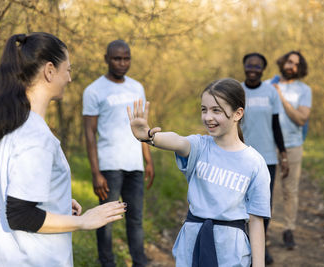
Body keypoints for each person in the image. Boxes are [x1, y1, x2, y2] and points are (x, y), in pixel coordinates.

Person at [0, 32, 126, 267]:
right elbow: (20, 214)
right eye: (67, 70)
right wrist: (84, 221)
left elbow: (2, 189)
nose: (69, 78)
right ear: (49, 71)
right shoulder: (36, 136)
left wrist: (53, 200)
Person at [127, 78, 270, 267]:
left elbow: (256, 221)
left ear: (237, 113)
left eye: (216, 110)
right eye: (204, 109)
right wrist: (150, 137)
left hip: (231, 250)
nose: (208, 117)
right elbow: (178, 141)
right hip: (193, 242)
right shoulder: (199, 146)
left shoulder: (255, 162)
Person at [83, 40, 154, 267]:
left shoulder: (137, 87)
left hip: (135, 165)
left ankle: (140, 262)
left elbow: (142, 127)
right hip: (109, 166)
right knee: (106, 221)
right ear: (106, 59)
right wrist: (96, 172)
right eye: (116, 58)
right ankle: (107, 263)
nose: (122, 63)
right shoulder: (94, 90)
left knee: (136, 220)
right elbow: (90, 133)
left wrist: (148, 159)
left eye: (126, 58)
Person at [241, 52, 289, 264]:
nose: (253, 68)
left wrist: (283, 154)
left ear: (263, 69)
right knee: (240, 203)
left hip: (267, 158)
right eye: (249, 64)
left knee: (263, 205)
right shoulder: (236, 91)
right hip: (240, 156)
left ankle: (260, 245)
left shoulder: (270, 92)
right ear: (244, 67)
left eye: (257, 65)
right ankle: (243, 246)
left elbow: (276, 124)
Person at [271, 51, 312, 250]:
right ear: (283, 62)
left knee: (290, 190)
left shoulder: (304, 90)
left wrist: (281, 98)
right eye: (289, 61)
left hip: (293, 145)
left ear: (300, 68)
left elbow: (301, 119)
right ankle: (261, 231)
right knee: (264, 191)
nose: (291, 66)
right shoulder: (267, 84)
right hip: (268, 145)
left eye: (296, 64)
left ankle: (288, 229)